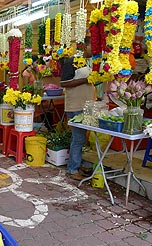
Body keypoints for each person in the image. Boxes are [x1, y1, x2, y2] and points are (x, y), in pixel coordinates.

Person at [60, 37, 94, 180]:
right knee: (78, 138)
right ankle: (72, 169)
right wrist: (86, 80)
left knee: (81, 138)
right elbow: (64, 82)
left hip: (87, 105)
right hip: (75, 105)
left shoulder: (91, 62)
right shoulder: (71, 61)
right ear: (85, 46)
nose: (96, 49)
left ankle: (77, 164)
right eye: (94, 46)